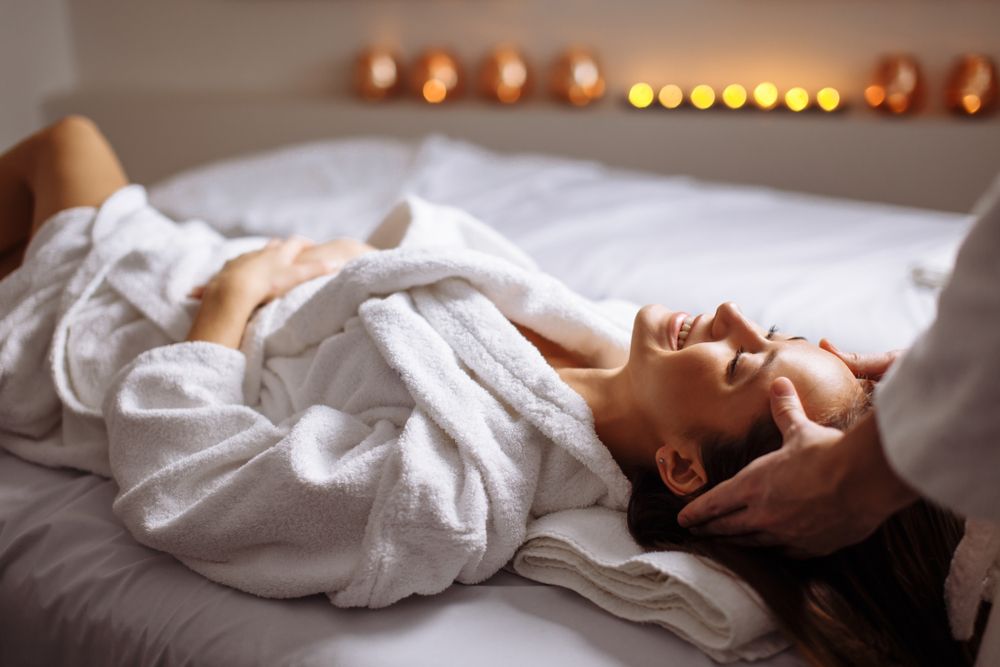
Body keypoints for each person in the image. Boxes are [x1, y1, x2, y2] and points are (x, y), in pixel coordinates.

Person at [0, 118, 980, 664]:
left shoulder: (463, 480)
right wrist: (351, 262)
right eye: (767, 334)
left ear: (680, 462)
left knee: (66, 145)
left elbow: (196, 490)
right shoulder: (597, 342)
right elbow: (423, 272)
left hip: (110, 341)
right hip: (212, 274)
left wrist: (229, 300)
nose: (725, 313)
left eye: (738, 362)